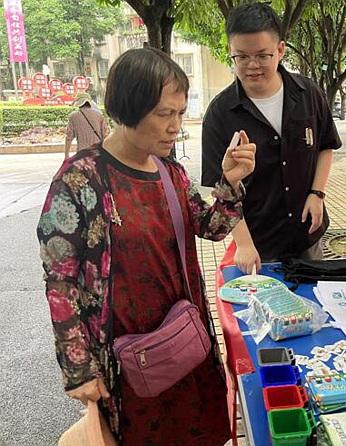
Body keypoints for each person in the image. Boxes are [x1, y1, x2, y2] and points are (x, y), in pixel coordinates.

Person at [37, 48, 256, 444]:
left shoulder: (170, 172)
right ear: (129, 108)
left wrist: (231, 182)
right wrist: (79, 368)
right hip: (127, 363)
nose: (176, 126)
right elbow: (61, 281)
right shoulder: (80, 181)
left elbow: (212, 226)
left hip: (185, 346)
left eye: (180, 112)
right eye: (164, 114)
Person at [201, 2, 342, 273]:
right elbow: (219, 186)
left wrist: (317, 193)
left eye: (262, 55)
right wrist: (242, 243)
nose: (252, 66)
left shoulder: (308, 94)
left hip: (307, 236)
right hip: (257, 245)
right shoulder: (220, 113)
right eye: (241, 57)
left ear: (280, 50)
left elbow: (326, 145)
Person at [64, 93, 110, 159]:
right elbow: (105, 135)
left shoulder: (73, 116)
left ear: (78, 103)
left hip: (82, 153)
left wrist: (66, 155)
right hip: (97, 153)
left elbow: (69, 137)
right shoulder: (99, 115)